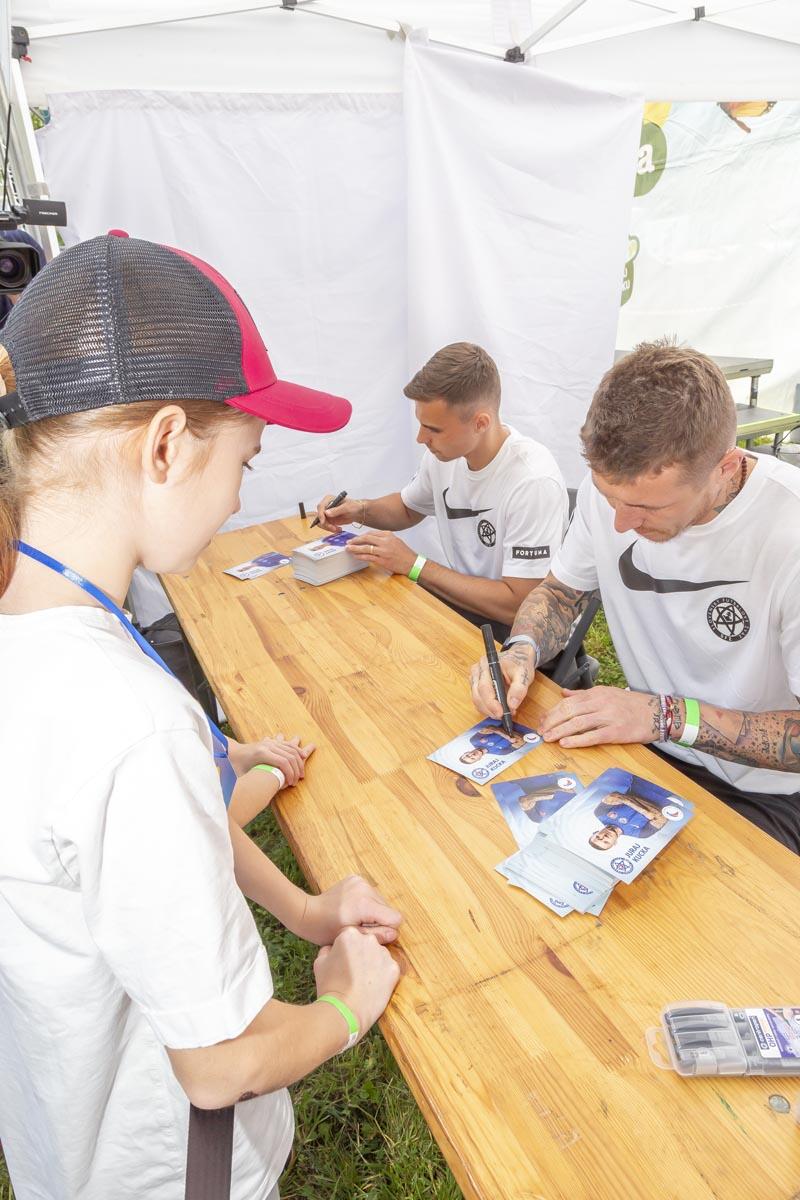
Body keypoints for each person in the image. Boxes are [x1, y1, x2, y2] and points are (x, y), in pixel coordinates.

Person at [0, 232, 402, 1200]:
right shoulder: (130, 723)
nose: (235, 499)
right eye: (245, 460)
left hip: (61, 1143)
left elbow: (161, 849)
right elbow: (222, 1063)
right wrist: (344, 1008)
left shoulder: (34, 634)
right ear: (167, 444)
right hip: (165, 1173)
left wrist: (304, 911)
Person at [470, 341, 800, 852]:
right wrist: (522, 650)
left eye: (646, 506)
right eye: (609, 499)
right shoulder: (620, 492)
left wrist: (661, 715)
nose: (622, 523)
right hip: (653, 749)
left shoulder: (789, 534)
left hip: (766, 792)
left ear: (725, 466)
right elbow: (561, 591)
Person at [313, 342, 568, 640]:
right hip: (467, 616)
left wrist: (414, 564)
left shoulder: (532, 482)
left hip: (520, 639)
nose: (422, 438)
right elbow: (409, 508)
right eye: (421, 425)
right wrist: (358, 509)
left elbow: (520, 607)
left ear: (480, 423)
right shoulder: (445, 456)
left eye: (433, 429)